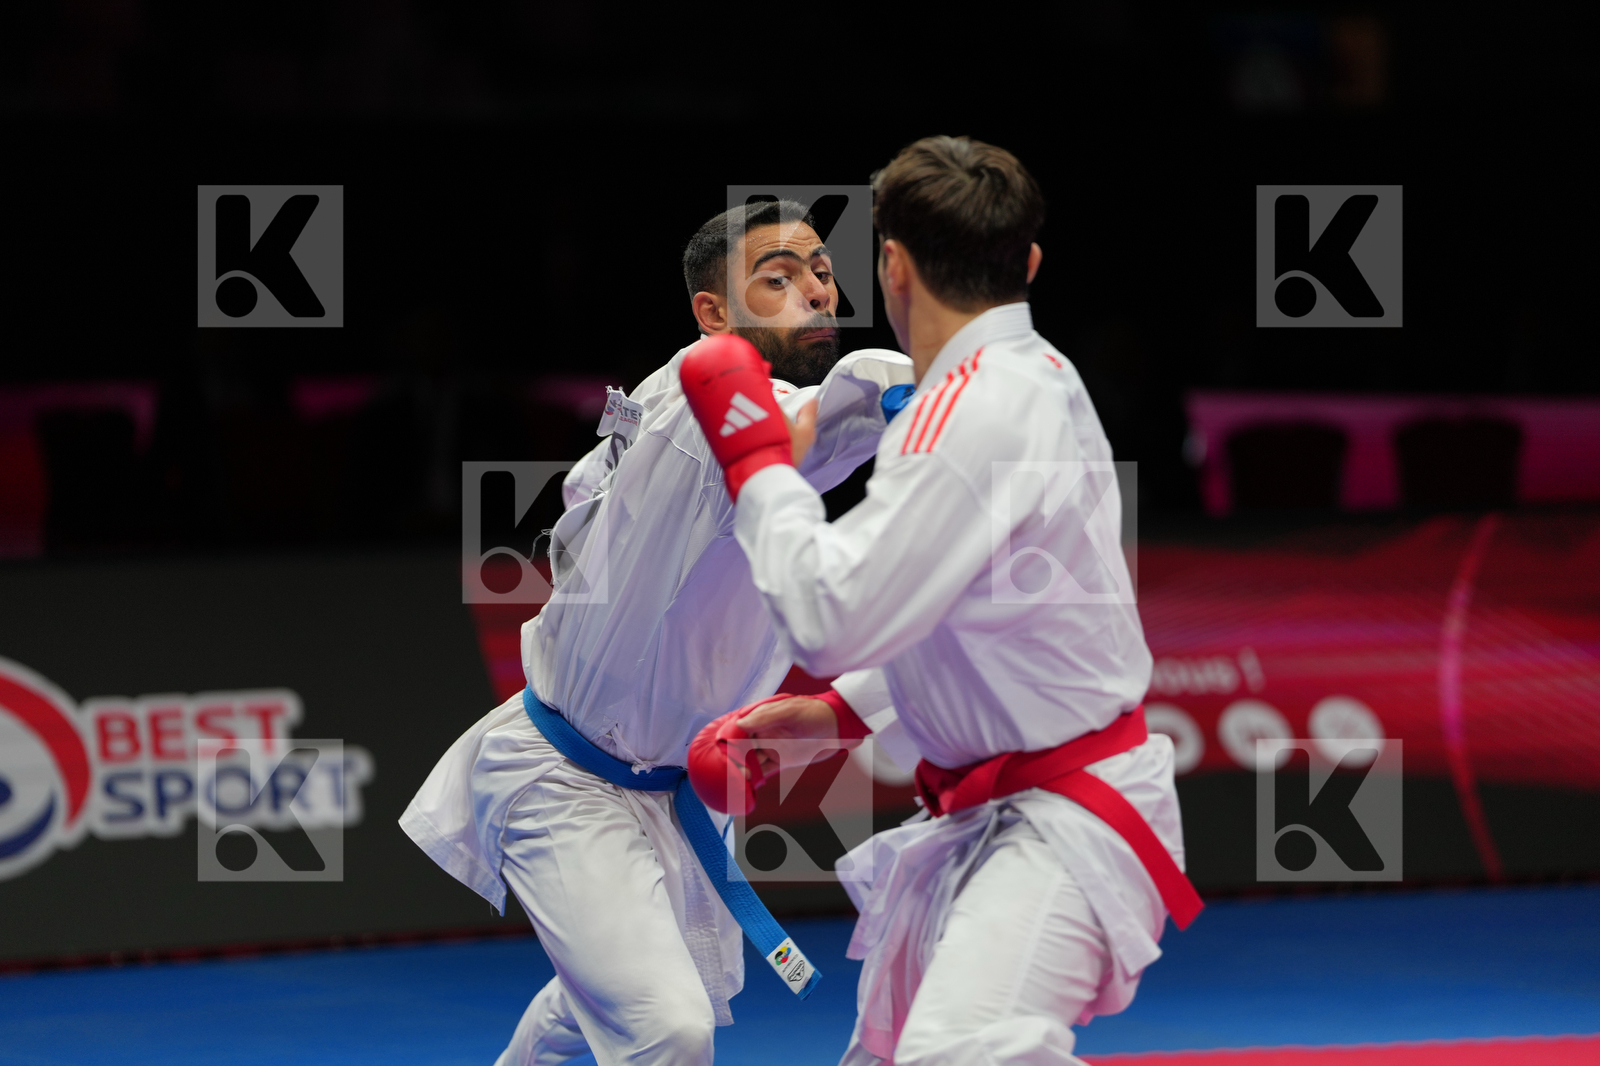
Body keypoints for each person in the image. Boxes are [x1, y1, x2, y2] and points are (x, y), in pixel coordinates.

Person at [680, 137, 1201, 1066]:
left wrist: (758, 466)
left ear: (892, 264)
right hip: (990, 815)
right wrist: (838, 713)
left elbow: (834, 615)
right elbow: (961, 611)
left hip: (1063, 820)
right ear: (1029, 264)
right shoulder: (1014, 379)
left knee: (960, 1056)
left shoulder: (979, 407)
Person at [400, 198, 914, 1066]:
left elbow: (584, 509)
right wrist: (908, 385)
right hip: (567, 781)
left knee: (607, 1002)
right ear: (714, 314)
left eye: (822, 272)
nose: (816, 293)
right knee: (666, 1030)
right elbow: (829, 412)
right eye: (777, 279)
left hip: (677, 789)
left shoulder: (676, 406)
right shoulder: (697, 396)